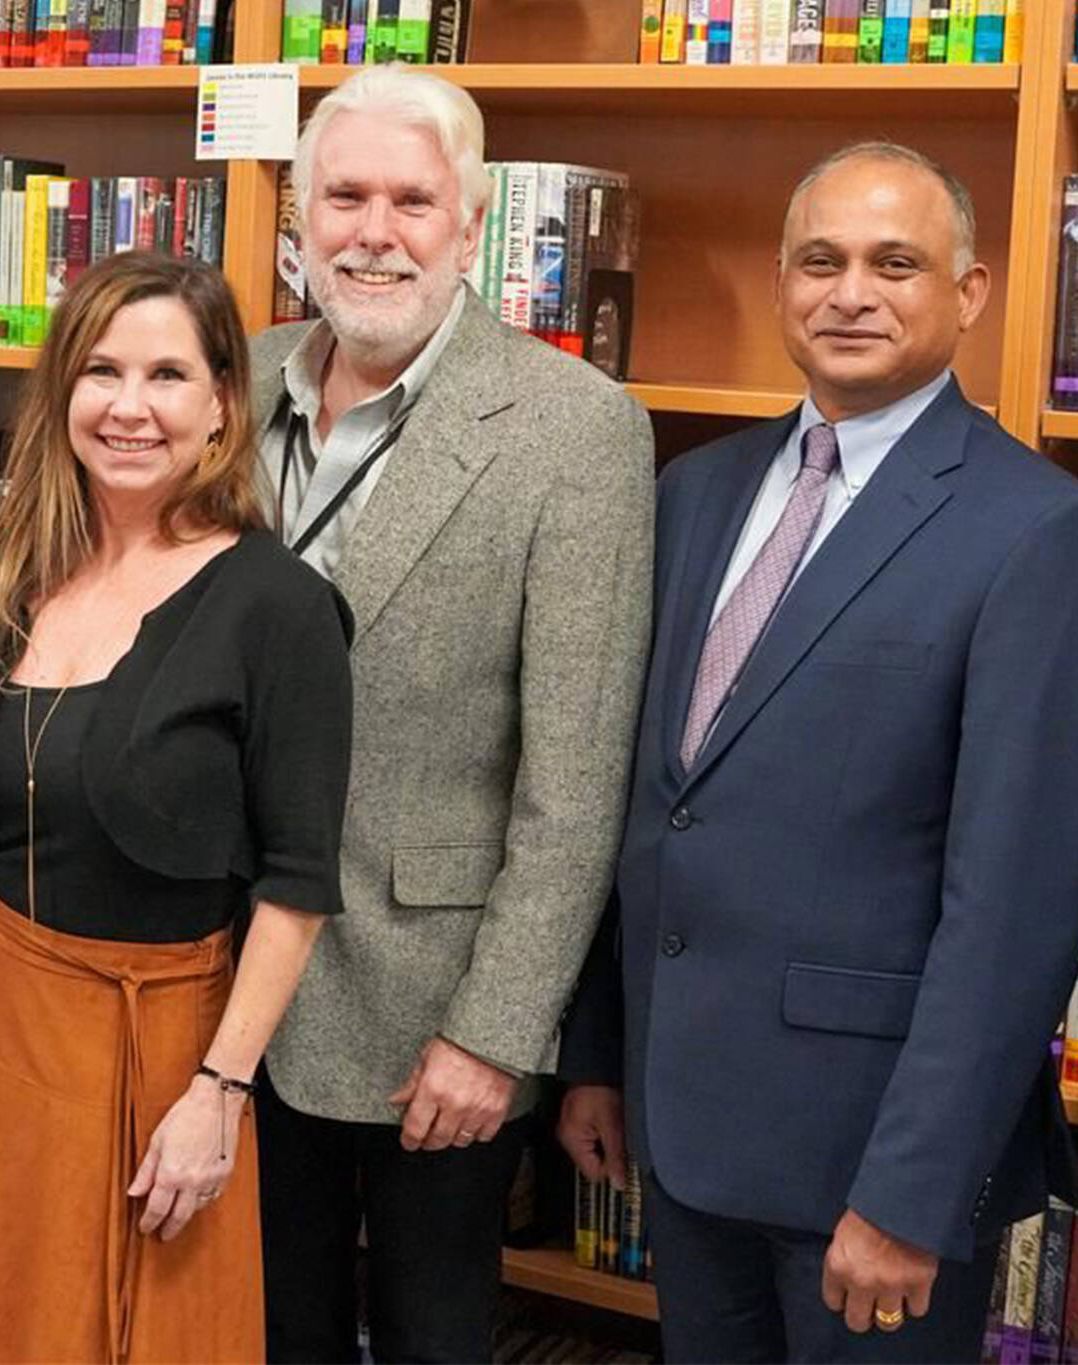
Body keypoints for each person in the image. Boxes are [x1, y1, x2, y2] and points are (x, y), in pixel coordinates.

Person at [557, 141, 1078, 1364]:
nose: (850, 292)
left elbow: (1010, 910)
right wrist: (596, 1057)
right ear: (781, 282)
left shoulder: (1033, 530)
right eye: (819, 261)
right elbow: (649, 802)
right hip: (679, 1129)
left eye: (894, 263)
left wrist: (910, 1193)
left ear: (969, 291)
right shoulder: (692, 489)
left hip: (864, 1169)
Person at [250, 65, 656, 1364]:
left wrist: (493, 1036)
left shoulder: (576, 430)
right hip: (207, 983)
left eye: (412, 200)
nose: (377, 230)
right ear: (296, 221)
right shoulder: (220, 381)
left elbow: (575, 784)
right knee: (251, 1332)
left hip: (425, 1012)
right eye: (346, 196)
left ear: (471, 224)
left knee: (431, 1340)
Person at [0, 251, 354, 1363]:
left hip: (160, 1062)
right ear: (59, 394)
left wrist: (219, 1095)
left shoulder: (278, 608)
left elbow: (295, 886)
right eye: (99, 371)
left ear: (222, 404)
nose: (128, 408)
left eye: (166, 376)